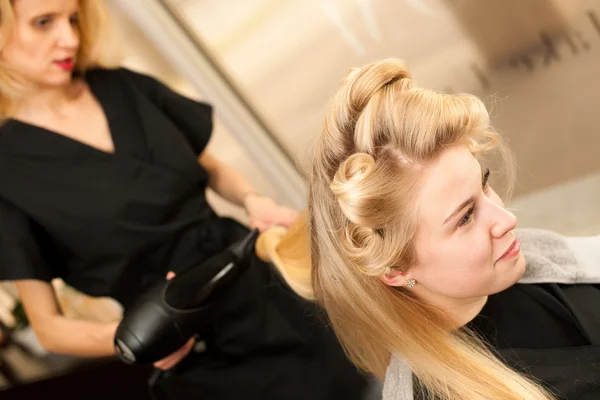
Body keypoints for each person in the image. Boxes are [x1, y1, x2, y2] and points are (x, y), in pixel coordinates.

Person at [0, 0, 374, 399]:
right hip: (196, 345)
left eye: (73, 19)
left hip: (263, 286)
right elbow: (49, 329)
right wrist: (134, 337)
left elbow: (208, 168)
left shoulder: (123, 87)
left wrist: (252, 200)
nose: (69, 38)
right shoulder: (8, 174)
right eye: (44, 23)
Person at [268, 58, 600, 399]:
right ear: (395, 269)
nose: (506, 220)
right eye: (465, 217)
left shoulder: (536, 254)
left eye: (484, 185)